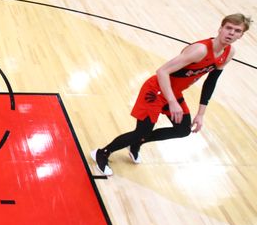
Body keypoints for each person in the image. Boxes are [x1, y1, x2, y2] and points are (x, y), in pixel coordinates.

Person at [90, 14, 249, 177]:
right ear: (220, 28)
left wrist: (201, 114)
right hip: (156, 89)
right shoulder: (200, 50)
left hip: (173, 92)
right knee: (141, 131)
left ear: (241, 35)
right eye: (228, 28)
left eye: (237, 31)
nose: (231, 33)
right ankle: (102, 153)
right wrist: (173, 102)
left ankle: (136, 143)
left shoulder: (229, 52)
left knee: (182, 130)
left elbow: (211, 82)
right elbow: (162, 71)